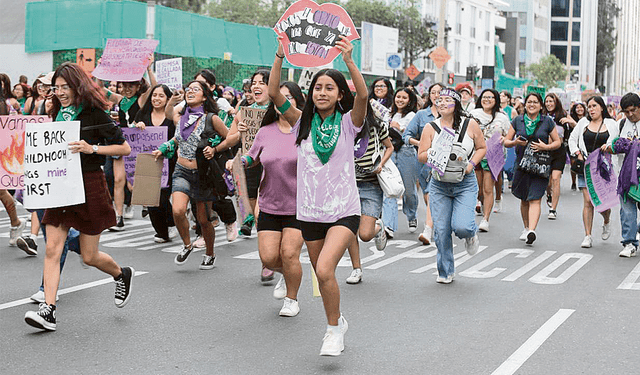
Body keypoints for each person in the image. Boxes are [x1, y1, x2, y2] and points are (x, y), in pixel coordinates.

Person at [270, 35, 367, 356]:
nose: (322, 92)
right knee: (323, 278)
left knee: (324, 270)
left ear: (340, 94)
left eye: (329, 88)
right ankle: (337, 321)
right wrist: (280, 56)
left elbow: (363, 95)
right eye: (317, 88)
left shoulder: (350, 123)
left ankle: (331, 332)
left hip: (344, 210)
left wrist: (350, 60)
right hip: (309, 212)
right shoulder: (302, 122)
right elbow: (273, 93)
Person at [24, 62, 134, 331]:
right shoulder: (56, 113)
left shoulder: (95, 113)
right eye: (56, 88)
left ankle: (121, 274)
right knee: (52, 248)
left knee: (89, 256)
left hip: (89, 184)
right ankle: (48, 310)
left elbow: (125, 147)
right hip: (60, 186)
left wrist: (91, 148)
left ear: (77, 87)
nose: (60, 93)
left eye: (65, 87)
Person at [236, 56, 306, 316]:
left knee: (289, 254)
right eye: (279, 97)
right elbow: (251, 156)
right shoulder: (265, 130)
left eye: (287, 97)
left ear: (296, 102)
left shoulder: (306, 131)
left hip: (299, 206)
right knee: (269, 258)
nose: (280, 102)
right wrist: (240, 161)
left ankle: (292, 298)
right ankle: (288, 274)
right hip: (269, 205)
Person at [154, 80, 230, 269]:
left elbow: (230, 137)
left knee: (203, 220)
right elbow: (178, 139)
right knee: (178, 210)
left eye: (196, 90)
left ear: (204, 96)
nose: (190, 92)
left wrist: (215, 148)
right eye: (189, 89)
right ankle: (187, 245)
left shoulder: (212, 119)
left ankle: (210, 254)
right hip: (181, 170)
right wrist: (164, 147)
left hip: (203, 174)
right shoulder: (180, 118)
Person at [417, 88, 486, 283]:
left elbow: (482, 147)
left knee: (462, 226)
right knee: (441, 231)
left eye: (447, 100)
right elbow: (421, 155)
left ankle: (470, 235)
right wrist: (434, 153)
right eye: (439, 100)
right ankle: (445, 271)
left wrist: (471, 165)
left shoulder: (470, 124)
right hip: (439, 184)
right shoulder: (431, 127)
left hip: (465, 183)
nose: (441, 103)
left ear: (456, 104)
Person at [344, 98, 393, 284]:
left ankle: (377, 228)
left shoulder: (377, 125)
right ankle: (356, 269)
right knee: (349, 230)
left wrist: (381, 163)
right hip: (348, 185)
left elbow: (389, 147)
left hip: (371, 185)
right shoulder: (343, 126)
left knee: (365, 234)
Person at [104, 56, 156, 229]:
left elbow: (155, 88)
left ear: (138, 86)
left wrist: (149, 68)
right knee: (118, 180)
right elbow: (100, 91)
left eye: (130, 86)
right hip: (122, 142)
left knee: (133, 185)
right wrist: (101, 70)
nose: (126, 89)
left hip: (139, 144)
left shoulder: (141, 100)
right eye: (123, 86)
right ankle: (118, 216)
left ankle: (147, 204)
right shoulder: (120, 100)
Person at [503, 92, 562, 245]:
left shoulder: (547, 121)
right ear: (525, 104)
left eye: (535, 102)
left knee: (535, 198)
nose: (532, 104)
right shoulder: (518, 121)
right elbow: (506, 141)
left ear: (540, 105)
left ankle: (532, 230)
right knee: (524, 198)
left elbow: (557, 142)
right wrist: (516, 142)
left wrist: (546, 146)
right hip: (521, 164)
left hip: (540, 165)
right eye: (529, 102)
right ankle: (526, 227)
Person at [568, 96, 618, 248]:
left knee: (602, 203)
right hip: (586, 167)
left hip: (604, 168)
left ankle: (606, 220)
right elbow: (572, 139)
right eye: (589, 106)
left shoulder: (611, 124)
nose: (591, 109)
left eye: (594, 106)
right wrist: (577, 153)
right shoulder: (583, 123)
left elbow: (616, 143)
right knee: (588, 201)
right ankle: (588, 235)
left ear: (602, 107)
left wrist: (608, 147)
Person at [133, 84, 178, 243]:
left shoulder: (173, 116)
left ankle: (171, 223)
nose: (156, 99)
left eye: (161, 96)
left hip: (169, 162)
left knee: (163, 196)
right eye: (154, 95)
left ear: (168, 98)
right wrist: (137, 127)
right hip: (149, 161)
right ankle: (161, 231)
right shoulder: (143, 114)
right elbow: (132, 134)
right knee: (151, 199)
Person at [400, 83, 444, 244]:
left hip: (446, 162)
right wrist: (420, 144)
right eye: (433, 92)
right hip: (425, 161)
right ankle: (434, 222)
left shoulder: (452, 115)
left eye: (440, 92)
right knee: (428, 193)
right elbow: (406, 136)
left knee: (435, 192)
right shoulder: (421, 115)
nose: (436, 95)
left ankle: (429, 227)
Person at [605, 92, 640, 257]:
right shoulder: (620, 124)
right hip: (625, 176)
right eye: (627, 112)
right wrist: (617, 146)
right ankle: (629, 243)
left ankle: (636, 231)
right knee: (627, 210)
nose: (630, 114)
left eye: (633, 110)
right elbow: (609, 145)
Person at [469, 89, 510, 231]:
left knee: (488, 188)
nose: (487, 100)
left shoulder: (502, 117)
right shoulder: (473, 115)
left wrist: (504, 139)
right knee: (478, 189)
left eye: (491, 97)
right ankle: (481, 204)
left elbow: (509, 136)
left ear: (496, 100)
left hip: (493, 154)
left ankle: (486, 219)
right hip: (475, 154)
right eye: (485, 97)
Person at [542, 93, 571, 220]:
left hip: (559, 151)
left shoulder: (563, 115)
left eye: (551, 101)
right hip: (544, 151)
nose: (549, 104)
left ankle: (553, 209)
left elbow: (577, 127)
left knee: (556, 178)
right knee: (548, 183)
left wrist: (570, 121)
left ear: (556, 102)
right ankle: (549, 194)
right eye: (547, 101)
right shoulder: (541, 116)